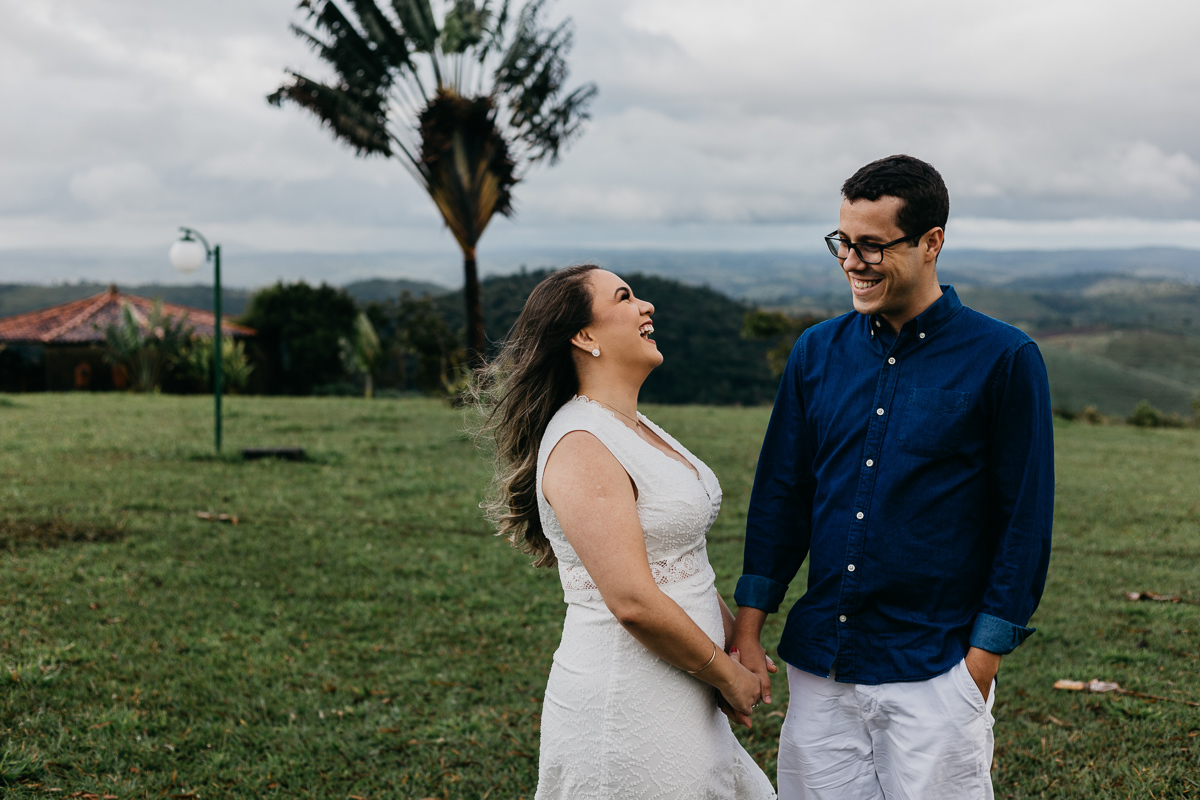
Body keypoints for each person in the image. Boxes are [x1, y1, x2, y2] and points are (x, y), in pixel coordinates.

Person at [731, 155, 1054, 800]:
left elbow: (1024, 519)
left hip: (936, 667)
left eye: (873, 245)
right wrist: (748, 625)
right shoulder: (815, 353)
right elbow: (781, 496)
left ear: (932, 243)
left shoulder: (1006, 359)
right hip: (822, 664)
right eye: (843, 243)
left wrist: (982, 659)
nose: (852, 261)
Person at [478, 265, 777, 800]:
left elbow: (680, 561)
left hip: (682, 690)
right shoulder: (580, 444)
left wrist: (737, 643)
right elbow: (634, 600)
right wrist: (726, 678)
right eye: (625, 297)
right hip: (628, 702)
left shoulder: (631, 425)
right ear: (584, 335)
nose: (647, 307)